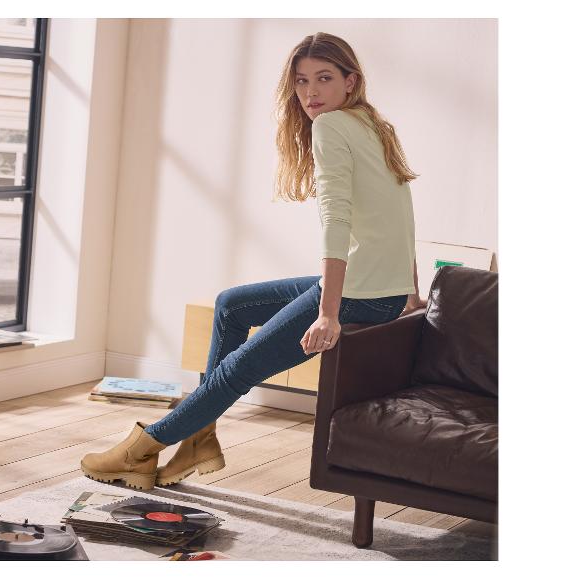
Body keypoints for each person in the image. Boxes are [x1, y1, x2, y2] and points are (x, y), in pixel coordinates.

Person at [80, 32, 428, 491]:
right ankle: (198, 438)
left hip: (357, 295)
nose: (311, 93)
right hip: (379, 290)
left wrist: (328, 312)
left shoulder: (332, 127)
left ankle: (142, 449)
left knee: (238, 369)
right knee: (232, 304)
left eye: (324, 78)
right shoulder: (373, 125)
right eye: (301, 81)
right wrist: (408, 290)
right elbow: (401, 214)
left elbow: (336, 222)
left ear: (351, 81)